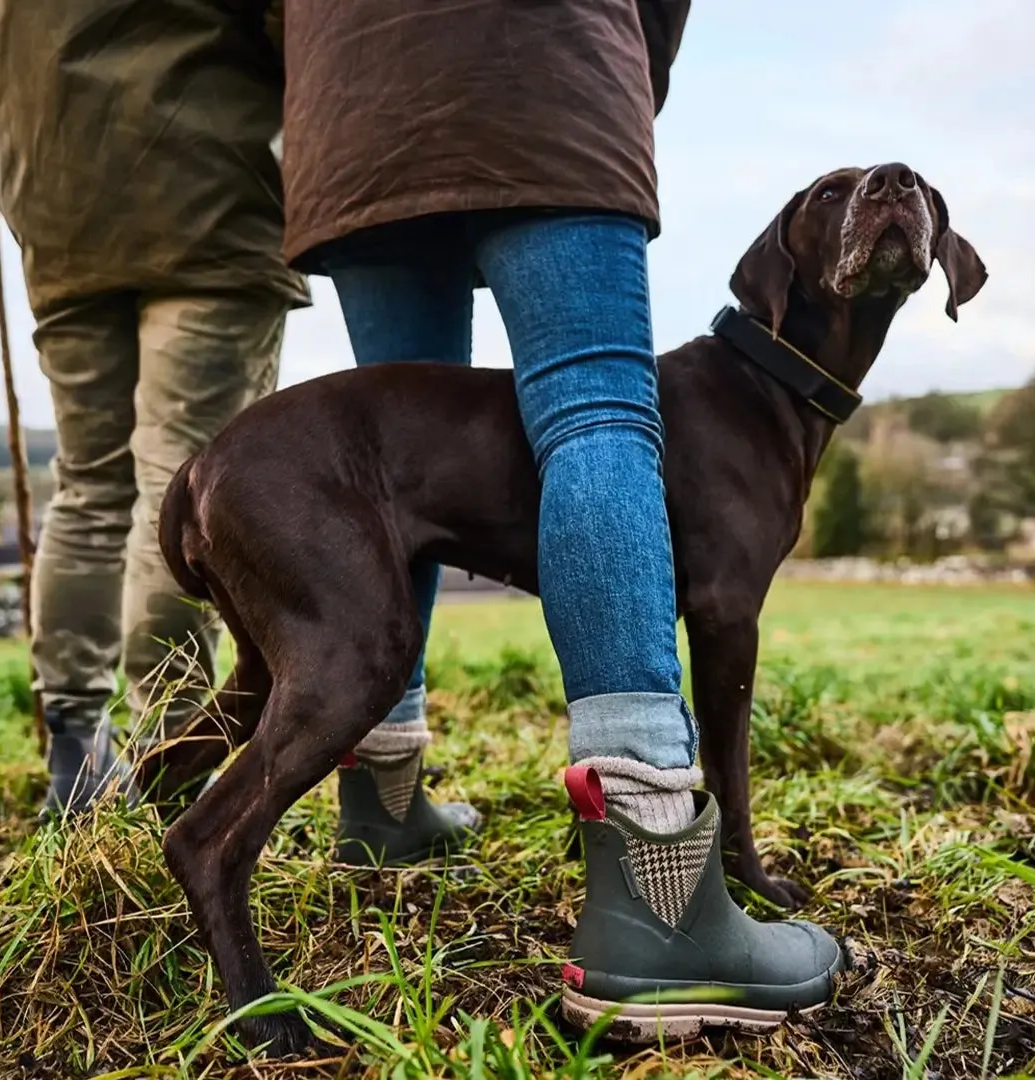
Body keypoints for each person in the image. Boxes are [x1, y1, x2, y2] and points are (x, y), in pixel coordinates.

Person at [279, 0, 844, 1040]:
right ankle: (657, 892)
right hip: (543, 77)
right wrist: (626, 72)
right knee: (595, 412)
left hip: (355, 109)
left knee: (401, 470)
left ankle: (384, 810)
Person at [0, 0, 309, 815]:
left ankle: (77, 747)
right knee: (183, 487)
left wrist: (18, 150)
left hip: (57, 209)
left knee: (89, 486)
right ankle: (170, 758)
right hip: (211, 189)